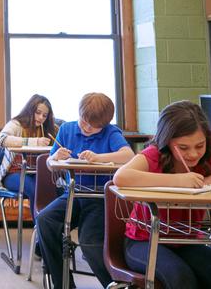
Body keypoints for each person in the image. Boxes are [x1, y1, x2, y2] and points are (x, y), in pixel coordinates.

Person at [113, 101, 211, 289]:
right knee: (182, 279)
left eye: (200, 145)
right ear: (167, 141)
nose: (193, 154)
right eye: (183, 147)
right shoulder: (153, 156)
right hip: (143, 241)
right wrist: (179, 180)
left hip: (184, 242)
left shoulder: (208, 162)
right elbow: (121, 177)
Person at [36, 92, 134, 289]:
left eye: (93, 126)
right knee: (45, 219)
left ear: (105, 124)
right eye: (83, 121)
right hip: (73, 194)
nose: (86, 127)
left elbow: (128, 155)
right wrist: (56, 158)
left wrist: (99, 158)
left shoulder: (111, 132)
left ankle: (114, 284)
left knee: (89, 241)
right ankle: (63, 284)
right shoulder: (67, 129)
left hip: (100, 198)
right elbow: (48, 161)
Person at [0, 93, 57, 207]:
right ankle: (39, 225)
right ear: (29, 110)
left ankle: (49, 224)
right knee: (35, 189)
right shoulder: (16, 124)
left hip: (38, 173)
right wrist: (33, 141)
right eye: (37, 113)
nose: (40, 118)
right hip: (14, 173)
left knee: (56, 188)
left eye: (44, 115)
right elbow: (1, 140)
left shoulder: (49, 129)